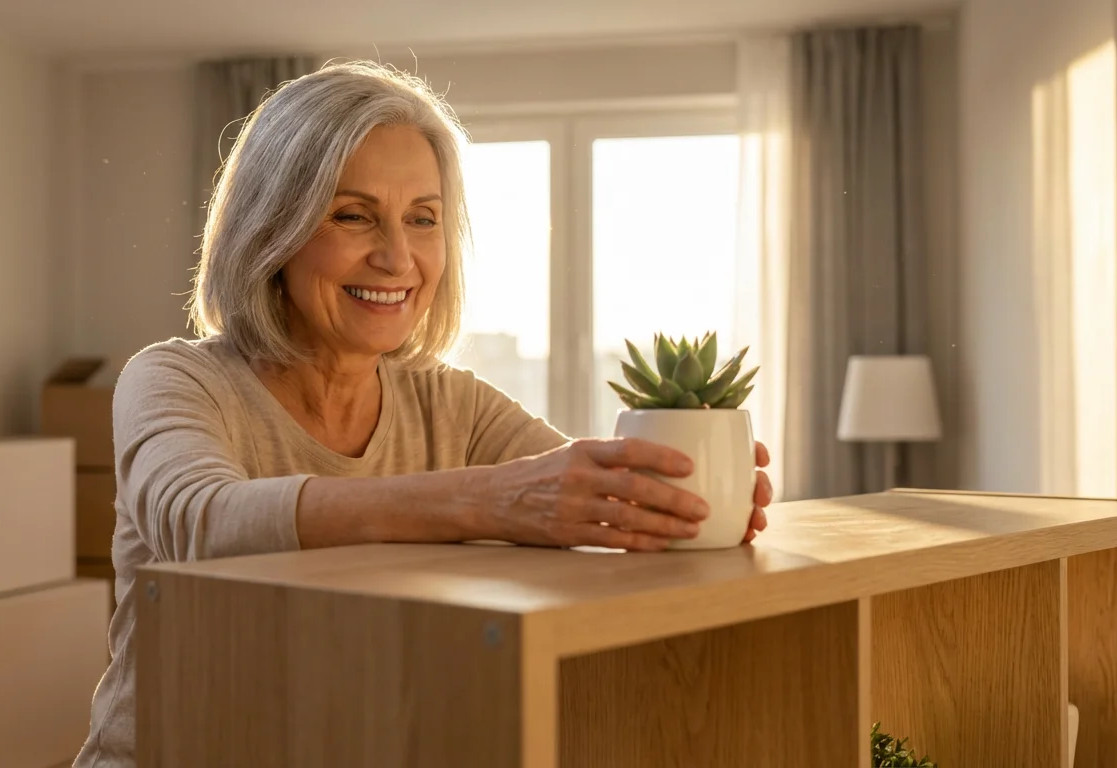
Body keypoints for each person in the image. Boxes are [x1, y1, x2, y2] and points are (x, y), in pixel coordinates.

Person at [72, 60, 773, 767]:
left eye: (423, 220)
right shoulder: (174, 377)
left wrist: (681, 501)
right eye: (353, 215)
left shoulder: (449, 403)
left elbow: (583, 503)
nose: (397, 256)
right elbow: (200, 523)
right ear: (270, 231)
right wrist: (486, 502)